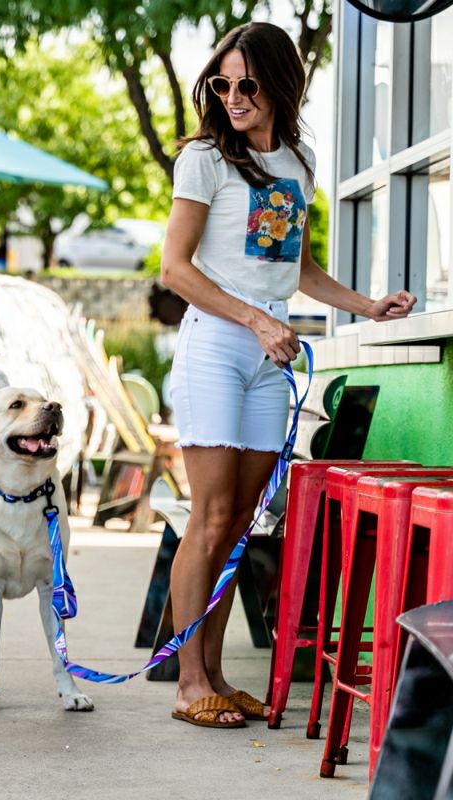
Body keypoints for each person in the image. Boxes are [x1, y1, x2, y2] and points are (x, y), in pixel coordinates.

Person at [160, 21, 416, 729]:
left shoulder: (299, 162)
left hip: (270, 350)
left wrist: (367, 306)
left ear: (279, 85)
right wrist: (254, 320)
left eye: (246, 83)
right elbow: (175, 269)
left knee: (242, 523)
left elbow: (295, 268)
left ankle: (215, 673)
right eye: (222, 84)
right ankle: (187, 682)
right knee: (210, 518)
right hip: (218, 345)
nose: (233, 96)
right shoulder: (205, 160)